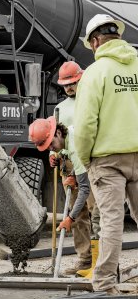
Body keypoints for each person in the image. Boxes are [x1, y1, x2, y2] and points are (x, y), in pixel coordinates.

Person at [74, 14, 138, 295]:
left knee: (112, 221)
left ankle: (104, 284)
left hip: (107, 160)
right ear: (118, 37)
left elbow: (86, 124)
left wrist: (85, 158)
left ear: (95, 42)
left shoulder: (95, 73)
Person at [49, 61, 100, 276]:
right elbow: (54, 139)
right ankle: (84, 260)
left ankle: (100, 263)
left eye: (73, 83)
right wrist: (54, 156)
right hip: (70, 165)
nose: (70, 88)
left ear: (81, 79)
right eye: (66, 84)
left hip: (92, 162)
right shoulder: (59, 109)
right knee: (77, 216)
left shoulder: (92, 101)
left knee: (96, 213)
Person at [29, 117, 93, 278]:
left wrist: (70, 218)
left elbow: (84, 189)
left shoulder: (76, 147)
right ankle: (89, 262)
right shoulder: (66, 139)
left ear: (58, 132)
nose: (51, 148)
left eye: (51, 144)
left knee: (99, 215)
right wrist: (72, 174)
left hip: (106, 164)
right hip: (88, 164)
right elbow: (61, 150)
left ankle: (102, 266)